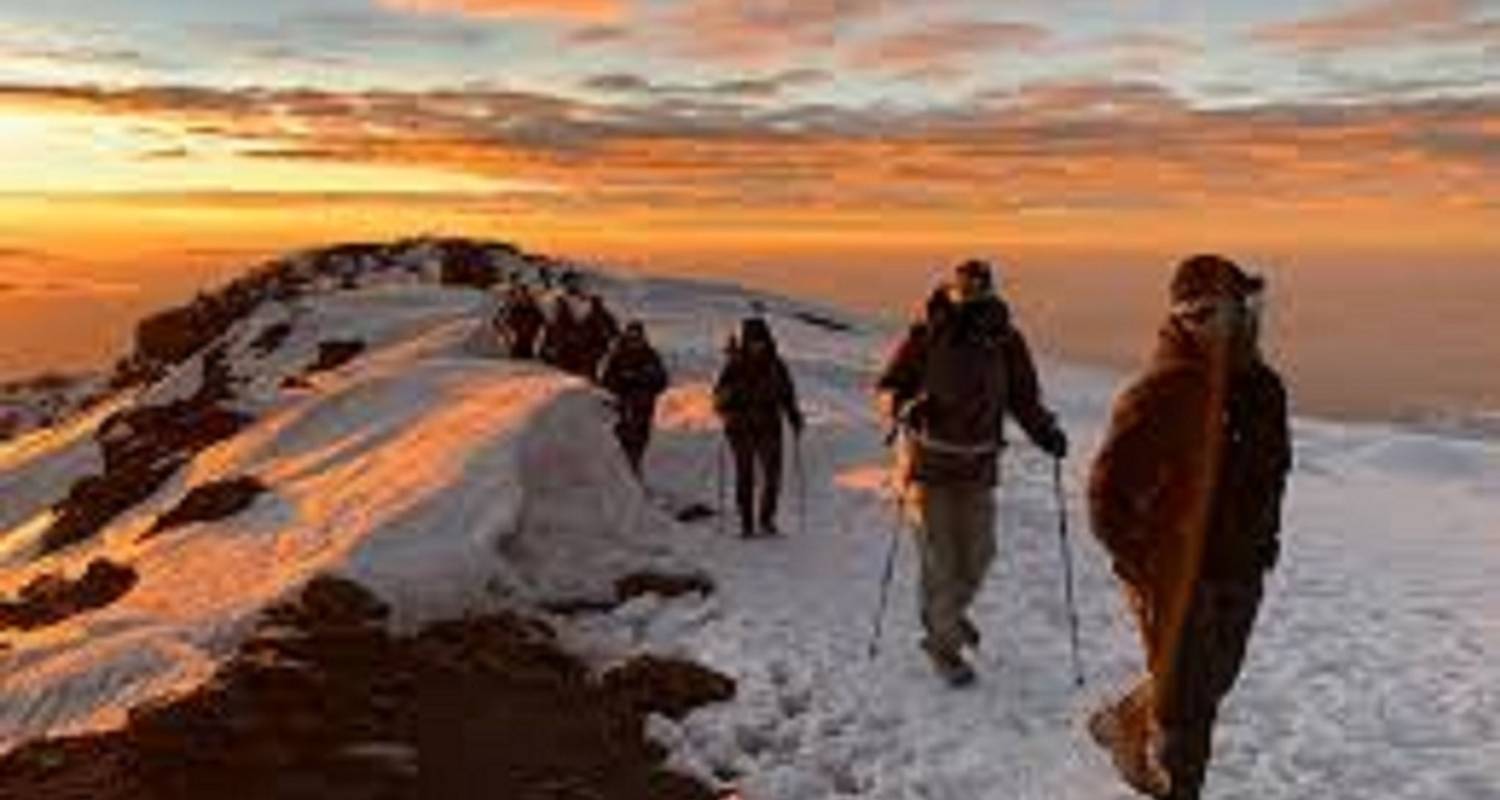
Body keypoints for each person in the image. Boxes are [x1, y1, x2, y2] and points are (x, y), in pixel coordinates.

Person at [1086, 254, 1291, 799]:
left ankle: (1125, 721)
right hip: (1177, 577)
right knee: (1186, 714)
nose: (1242, 323)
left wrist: (1263, 543)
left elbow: (1271, 476)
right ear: (1190, 318)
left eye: (1245, 309)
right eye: (1222, 314)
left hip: (1241, 568)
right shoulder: (1164, 391)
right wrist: (1152, 567)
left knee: (1210, 682)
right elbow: (1106, 497)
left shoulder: (1264, 390)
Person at [875, 259, 1068, 686]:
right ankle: (942, 646)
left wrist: (1046, 433)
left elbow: (1024, 399)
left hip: (978, 467)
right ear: (954, 290)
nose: (971, 296)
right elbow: (889, 386)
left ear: (989, 292)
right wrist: (904, 407)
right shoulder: (925, 335)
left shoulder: (1006, 341)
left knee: (978, 558)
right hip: (927, 465)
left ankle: (949, 617)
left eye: (979, 289)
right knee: (941, 562)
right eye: (966, 288)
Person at [713, 316, 804, 538]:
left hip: (769, 425)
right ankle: (746, 522)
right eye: (753, 341)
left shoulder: (776, 365)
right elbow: (718, 397)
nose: (757, 345)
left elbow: (787, 394)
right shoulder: (734, 365)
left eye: (760, 340)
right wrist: (728, 403)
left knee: (772, 476)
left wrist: (794, 417)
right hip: (740, 428)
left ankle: (766, 519)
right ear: (746, 341)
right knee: (745, 475)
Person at [598, 321, 669, 476]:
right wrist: (624, 382)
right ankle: (621, 475)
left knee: (640, 443)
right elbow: (605, 380)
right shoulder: (617, 355)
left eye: (638, 336)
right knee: (622, 442)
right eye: (632, 335)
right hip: (622, 407)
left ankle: (633, 473)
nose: (635, 339)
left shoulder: (650, 355)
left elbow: (662, 380)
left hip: (644, 407)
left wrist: (645, 380)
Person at [580, 295, 622, 379]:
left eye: (596, 303)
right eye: (594, 303)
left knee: (597, 361)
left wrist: (612, 337)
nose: (594, 305)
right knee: (592, 362)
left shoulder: (605, 316)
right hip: (592, 344)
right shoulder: (590, 316)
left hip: (600, 343)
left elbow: (614, 330)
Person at [500, 283, 545, 359]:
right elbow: (505, 324)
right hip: (517, 344)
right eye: (519, 294)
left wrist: (538, 341)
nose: (521, 297)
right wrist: (507, 337)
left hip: (530, 344)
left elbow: (542, 325)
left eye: (523, 294)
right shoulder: (514, 309)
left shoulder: (534, 310)